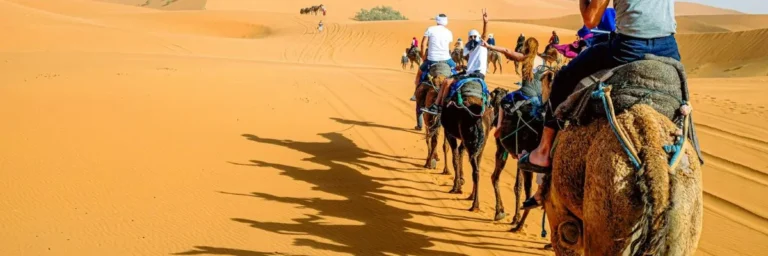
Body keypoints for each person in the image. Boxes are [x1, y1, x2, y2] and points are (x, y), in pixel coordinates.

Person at [516, 0, 682, 210]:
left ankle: (543, 150)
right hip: (668, 48)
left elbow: (590, 19)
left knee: (564, 79)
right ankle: (688, 149)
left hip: (629, 47)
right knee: (680, 95)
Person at [421, 9, 490, 115]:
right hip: (469, 72)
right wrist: (462, 67)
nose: (473, 38)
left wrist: (486, 23)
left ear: (479, 38)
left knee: (447, 82)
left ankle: (439, 106)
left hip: (477, 74)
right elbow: (471, 64)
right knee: (446, 81)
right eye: (471, 37)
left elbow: (485, 35)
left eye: (475, 37)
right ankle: (437, 105)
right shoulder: (469, 49)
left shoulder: (481, 44)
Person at [409, 13, 456, 101]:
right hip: (447, 59)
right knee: (456, 72)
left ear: (437, 20)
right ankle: (455, 91)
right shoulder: (449, 32)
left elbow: (423, 44)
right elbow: (448, 46)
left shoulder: (430, 29)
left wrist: (423, 57)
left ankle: (415, 94)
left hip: (432, 59)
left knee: (420, 73)